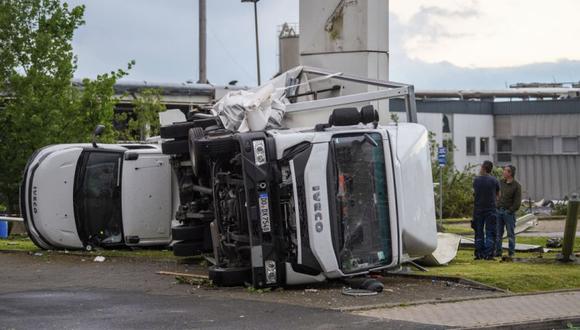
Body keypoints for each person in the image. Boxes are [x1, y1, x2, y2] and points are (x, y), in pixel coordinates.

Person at [472, 161, 500, 260]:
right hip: (491, 209)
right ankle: (488, 254)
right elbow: (497, 195)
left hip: (478, 209)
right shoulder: (494, 181)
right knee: (490, 232)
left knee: (479, 232)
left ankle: (479, 253)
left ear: (483, 168)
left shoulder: (476, 180)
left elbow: (475, 193)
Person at [496, 165, 522, 258]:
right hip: (499, 211)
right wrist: (497, 206)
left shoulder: (517, 186)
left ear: (510, 173)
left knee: (510, 233)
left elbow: (517, 202)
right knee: (498, 233)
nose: (503, 172)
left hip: (509, 213)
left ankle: (511, 252)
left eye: (505, 171)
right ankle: (498, 252)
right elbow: (496, 195)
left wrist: (509, 211)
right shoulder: (500, 183)